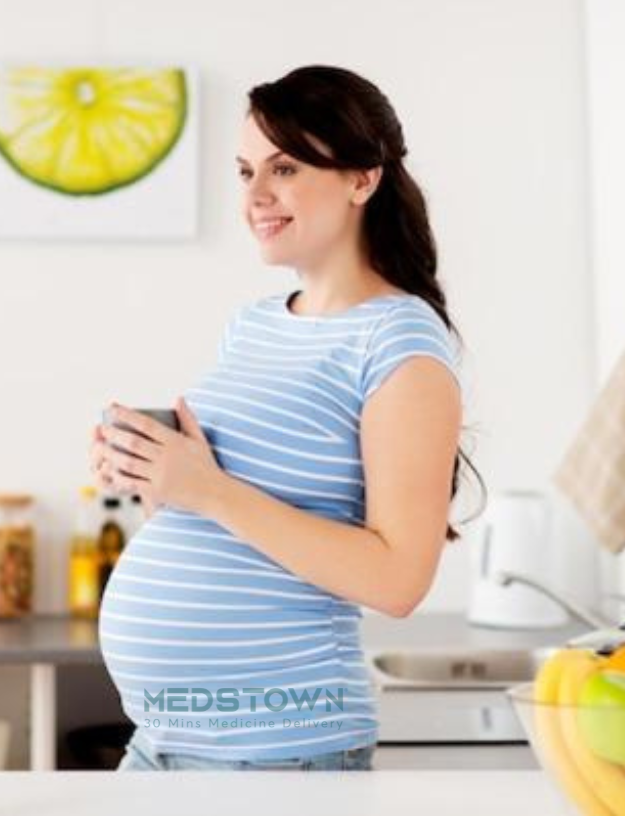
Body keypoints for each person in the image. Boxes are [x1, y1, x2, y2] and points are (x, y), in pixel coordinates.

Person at [87, 65, 481, 771]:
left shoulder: (399, 341)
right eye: (244, 172)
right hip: (163, 743)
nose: (256, 196)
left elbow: (399, 579)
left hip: (277, 751)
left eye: (286, 166)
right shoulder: (254, 326)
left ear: (363, 178)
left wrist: (206, 489)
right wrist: (158, 482)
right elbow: (232, 526)